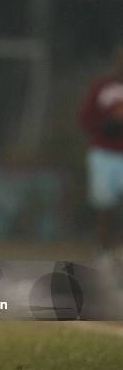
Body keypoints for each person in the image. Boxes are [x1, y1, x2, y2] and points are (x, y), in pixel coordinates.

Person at [80, 48, 123, 250]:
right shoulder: (103, 87)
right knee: (105, 206)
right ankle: (105, 250)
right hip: (105, 152)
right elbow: (86, 118)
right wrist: (106, 126)